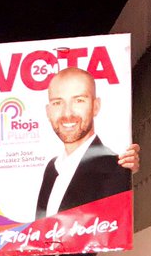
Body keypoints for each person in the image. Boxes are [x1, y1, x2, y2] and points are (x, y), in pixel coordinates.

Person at [34, 67, 133, 220]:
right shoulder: (51, 169)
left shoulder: (115, 169)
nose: (67, 113)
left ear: (95, 106)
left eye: (79, 100)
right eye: (57, 103)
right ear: (48, 111)